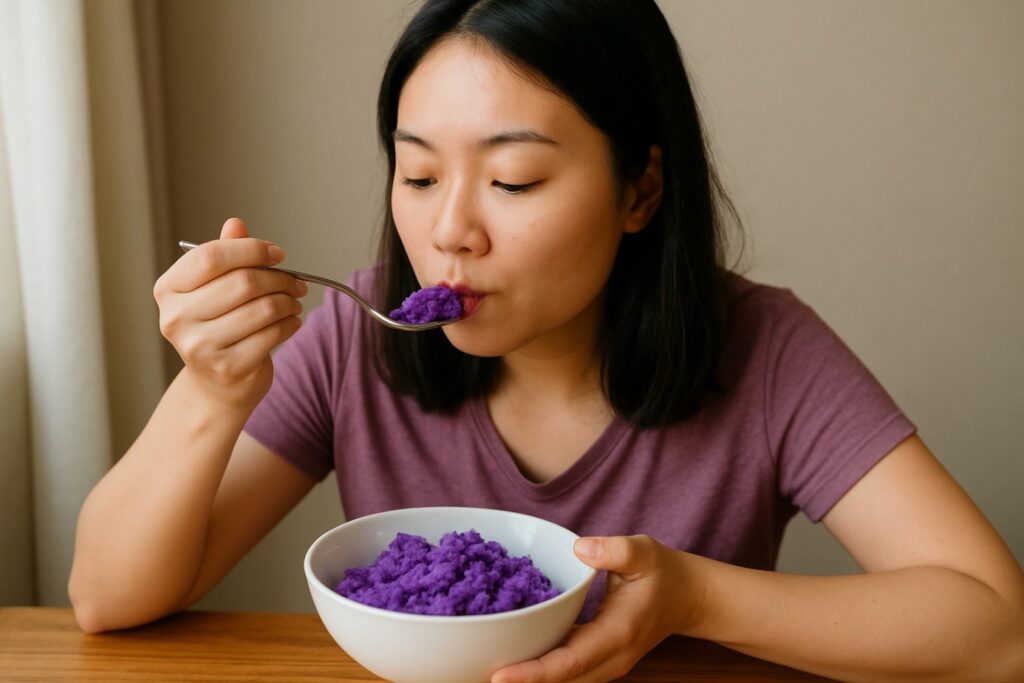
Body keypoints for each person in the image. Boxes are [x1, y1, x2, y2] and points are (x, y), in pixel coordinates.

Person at [69, 1, 1024, 681]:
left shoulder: (767, 350)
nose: (450, 231)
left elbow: (995, 629)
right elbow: (107, 599)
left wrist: (691, 598)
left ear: (641, 189)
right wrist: (208, 391)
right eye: (417, 175)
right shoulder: (352, 339)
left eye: (514, 181)